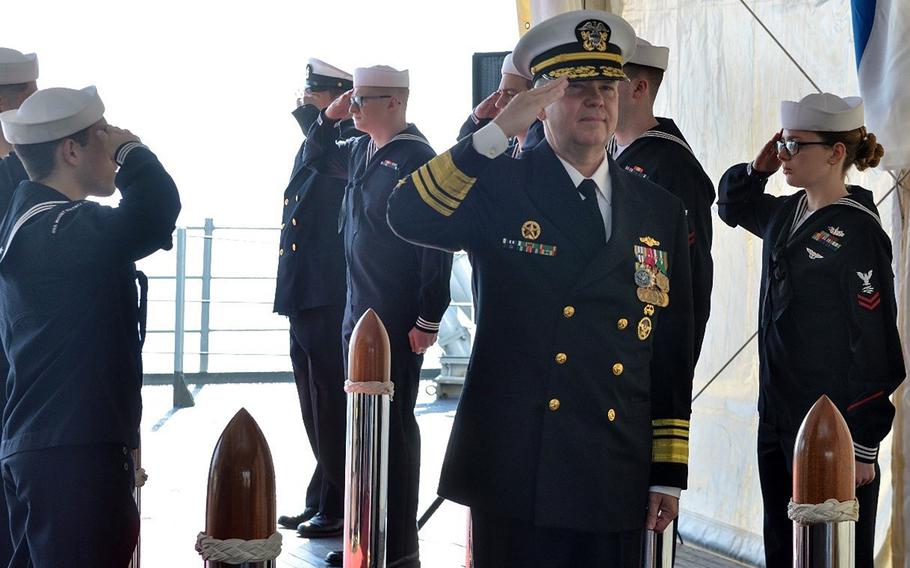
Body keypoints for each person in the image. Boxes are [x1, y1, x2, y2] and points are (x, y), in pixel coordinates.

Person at [387, 10, 694, 567]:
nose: (596, 99)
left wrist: (668, 473)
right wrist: (499, 130)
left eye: (607, 86)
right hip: (517, 463)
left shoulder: (659, 208)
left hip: (614, 465)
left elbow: (671, 346)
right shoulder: (500, 184)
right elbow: (408, 214)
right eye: (575, 87)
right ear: (542, 101)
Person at [717, 92, 905, 567]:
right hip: (778, 418)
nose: (784, 155)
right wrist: (759, 169)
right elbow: (732, 205)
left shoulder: (859, 234)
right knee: (782, 546)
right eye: (782, 143)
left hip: (830, 433)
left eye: (795, 145)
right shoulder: (787, 214)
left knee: (832, 553)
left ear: (836, 153)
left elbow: (876, 345)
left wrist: (861, 445)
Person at [0, 86, 181, 567]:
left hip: (56, 447)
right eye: (103, 136)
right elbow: (153, 214)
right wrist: (135, 151)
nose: (113, 149)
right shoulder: (53, 229)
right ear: (72, 150)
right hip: (70, 454)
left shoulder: (34, 218)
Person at [305, 64, 452, 567]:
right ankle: (364, 538)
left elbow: (437, 246)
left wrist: (429, 318)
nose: (354, 107)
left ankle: (397, 546)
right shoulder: (361, 151)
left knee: (393, 433)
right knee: (361, 434)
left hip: (395, 320)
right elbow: (315, 157)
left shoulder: (417, 158)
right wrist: (328, 117)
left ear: (394, 102)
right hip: (357, 317)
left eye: (363, 99)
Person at [273, 58, 358, 539]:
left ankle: (341, 503)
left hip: (329, 294)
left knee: (330, 407)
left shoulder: (349, 146)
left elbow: (332, 165)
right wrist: (317, 125)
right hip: (304, 293)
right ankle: (322, 496)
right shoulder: (318, 145)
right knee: (314, 407)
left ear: (342, 99)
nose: (306, 100)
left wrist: (324, 125)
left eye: (316, 94)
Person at [611, 38, 714, 360]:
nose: (595, 97)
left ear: (639, 89)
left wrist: (673, 372)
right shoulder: (605, 155)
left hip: (644, 350)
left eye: (607, 84)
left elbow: (688, 281)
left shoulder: (672, 165)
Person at [456, 53, 542, 156]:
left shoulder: (547, 155)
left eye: (510, 94)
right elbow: (462, 161)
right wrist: (477, 119)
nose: (498, 103)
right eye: (500, 93)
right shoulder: (509, 154)